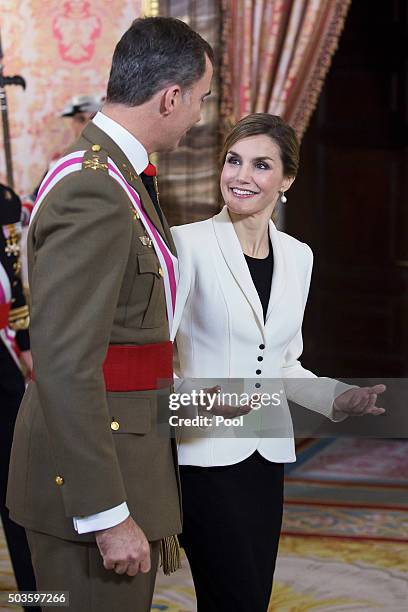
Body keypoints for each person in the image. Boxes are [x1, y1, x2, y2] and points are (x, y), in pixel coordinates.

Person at [7, 17, 213, 612]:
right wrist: (106, 513)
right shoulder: (94, 187)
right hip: (92, 480)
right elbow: (67, 363)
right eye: (200, 99)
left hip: (123, 452)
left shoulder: (116, 173)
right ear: (171, 97)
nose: (199, 114)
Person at [170, 113, 386, 612]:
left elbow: (285, 363)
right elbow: (157, 356)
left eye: (260, 165)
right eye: (233, 160)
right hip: (205, 458)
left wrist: (338, 395)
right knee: (232, 598)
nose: (241, 176)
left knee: (253, 597)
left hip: (267, 456)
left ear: (286, 179)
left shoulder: (298, 257)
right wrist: (199, 403)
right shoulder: (186, 245)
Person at [0, 184, 40, 612]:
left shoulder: (4, 203)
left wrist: (26, 345)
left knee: (15, 496)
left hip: (3, 368)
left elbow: (13, 277)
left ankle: (39, 600)